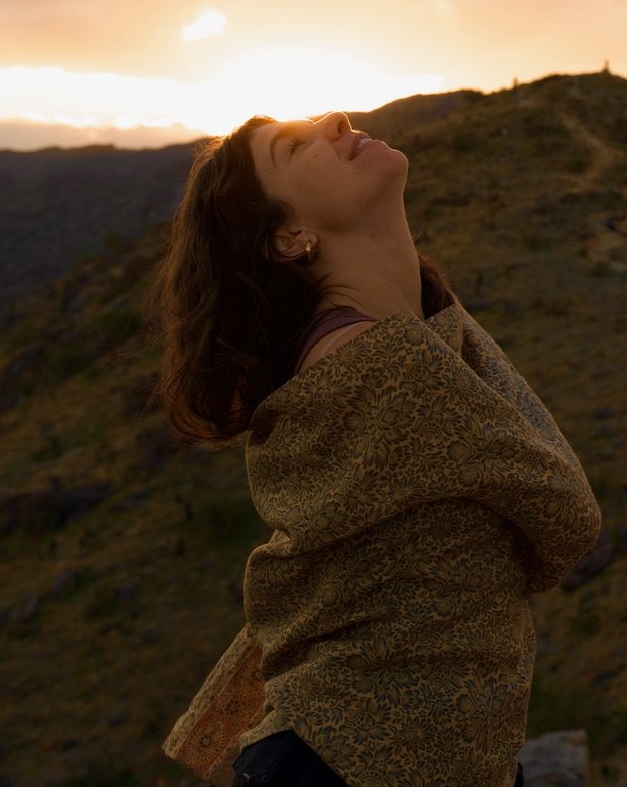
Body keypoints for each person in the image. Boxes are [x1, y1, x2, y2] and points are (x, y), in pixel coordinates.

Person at [149, 111, 599, 787]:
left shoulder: (381, 344)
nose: (335, 118)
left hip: (391, 758)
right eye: (294, 147)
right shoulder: (377, 362)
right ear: (290, 236)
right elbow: (569, 516)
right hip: (351, 765)